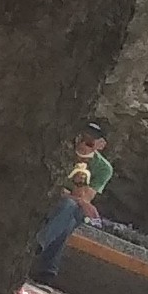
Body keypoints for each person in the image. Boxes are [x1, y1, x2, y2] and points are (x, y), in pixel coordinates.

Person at [34, 119, 114, 282]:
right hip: (46, 197)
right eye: (82, 137)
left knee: (70, 211)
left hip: (66, 205)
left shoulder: (103, 168)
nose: (84, 143)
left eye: (90, 142)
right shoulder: (63, 151)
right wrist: (74, 198)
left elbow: (84, 198)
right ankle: (47, 268)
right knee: (70, 214)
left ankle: (39, 244)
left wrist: (79, 179)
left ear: (100, 145)